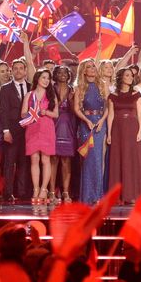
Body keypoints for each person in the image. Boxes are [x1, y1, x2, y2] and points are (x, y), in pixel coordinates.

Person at [107, 66, 141, 205]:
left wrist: (140, 131)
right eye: (127, 75)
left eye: (131, 75)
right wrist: (109, 133)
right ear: (121, 78)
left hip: (132, 129)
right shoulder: (112, 96)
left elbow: (140, 114)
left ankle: (131, 194)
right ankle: (118, 195)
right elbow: (111, 115)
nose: (130, 78)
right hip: (117, 130)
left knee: (131, 160)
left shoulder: (136, 94)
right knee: (118, 160)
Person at [74, 59, 108, 204]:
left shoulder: (103, 85)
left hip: (100, 124)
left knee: (99, 159)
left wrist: (101, 121)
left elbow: (108, 107)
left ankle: (98, 196)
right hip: (86, 124)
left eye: (94, 66)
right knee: (88, 160)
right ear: (84, 71)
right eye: (89, 67)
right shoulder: (79, 88)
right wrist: (87, 121)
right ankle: (87, 196)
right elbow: (76, 108)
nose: (93, 69)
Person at [23, 67, 59, 206]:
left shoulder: (51, 95)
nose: (46, 80)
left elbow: (55, 114)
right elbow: (23, 113)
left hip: (46, 128)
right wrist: (32, 113)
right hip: (32, 128)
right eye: (43, 77)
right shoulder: (29, 95)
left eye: (48, 78)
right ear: (37, 79)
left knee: (45, 159)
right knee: (34, 159)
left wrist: (45, 112)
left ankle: (44, 189)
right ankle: (36, 188)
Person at [0, 58, 32, 201]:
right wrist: (6, 131)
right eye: (15, 68)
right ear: (12, 71)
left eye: (21, 68)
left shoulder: (32, 87)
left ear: (25, 71)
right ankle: (8, 193)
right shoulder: (5, 88)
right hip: (12, 129)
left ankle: (23, 192)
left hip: (29, 130)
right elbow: (3, 111)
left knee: (25, 162)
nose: (18, 71)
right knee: (9, 162)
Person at [51, 65, 78, 202]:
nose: (62, 74)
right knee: (53, 159)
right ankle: (52, 192)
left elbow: (74, 111)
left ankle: (66, 192)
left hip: (67, 126)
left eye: (65, 72)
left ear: (69, 76)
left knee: (66, 161)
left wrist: (72, 99)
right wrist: (62, 99)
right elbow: (51, 107)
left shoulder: (72, 90)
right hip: (53, 125)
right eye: (59, 72)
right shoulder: (51, 89)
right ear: (55, 75)